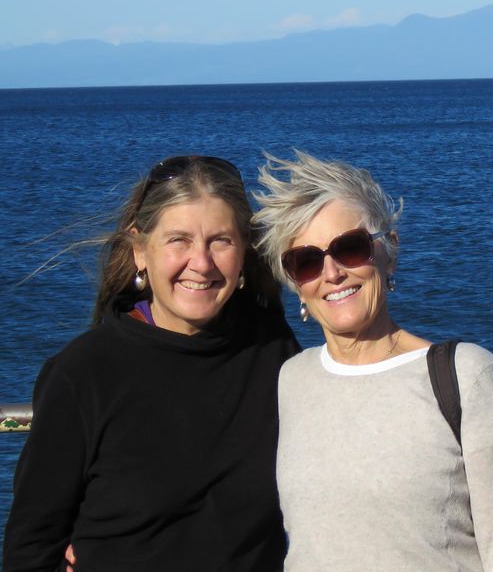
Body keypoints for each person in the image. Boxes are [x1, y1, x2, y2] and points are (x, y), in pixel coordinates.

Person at [4, 156, 299, 572]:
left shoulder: (274, 352)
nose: (201, 262)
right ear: (140, 249)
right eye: (178, 240)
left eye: (220, 240)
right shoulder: (83, 374)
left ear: (244, 251)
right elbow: (31, 547)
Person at [253, 151, 493, 572]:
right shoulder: (294, 378)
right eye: (306, 261)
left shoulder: (465, 374)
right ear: (295, 285)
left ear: (388, 252)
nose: (332, 272)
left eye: (350, 248)